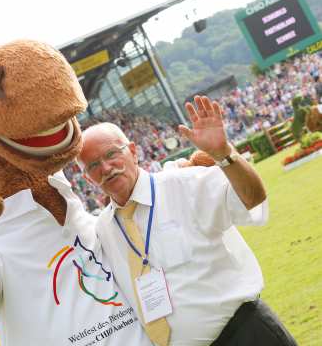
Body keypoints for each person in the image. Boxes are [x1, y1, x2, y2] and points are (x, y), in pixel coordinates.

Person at [77, 95, 297, 346]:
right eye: (93, 165)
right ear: (87, 177)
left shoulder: (184, 185)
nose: (106, 168)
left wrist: (224, 154)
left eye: (112, 154)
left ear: (134, 152)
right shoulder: (103, 230)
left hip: (246, 336)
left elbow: (253, 199)